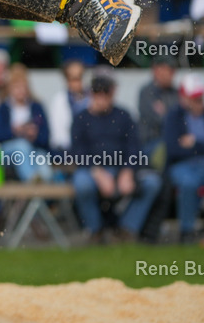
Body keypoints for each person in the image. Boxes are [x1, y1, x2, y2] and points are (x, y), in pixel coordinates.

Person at [70, 74, 161, 243]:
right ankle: (95, 230)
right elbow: (78, 152)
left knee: (152, 183)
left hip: (121, 168)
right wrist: (98, 173)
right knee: (82, 184)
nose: (102, 98)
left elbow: (134, 148)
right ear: (91, 94)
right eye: (98, 93)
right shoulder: (81, 118)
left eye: (106, 94)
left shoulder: (124, 116)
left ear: (112, 94)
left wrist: (128, 171)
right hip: (92, 170)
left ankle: (126, 229)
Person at [162, 74, 204, 244]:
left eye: (201, 97)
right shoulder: (173, 117)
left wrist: (194, 143)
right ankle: (187, 231)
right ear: (183, 98)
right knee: (188, 183)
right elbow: (173, 149)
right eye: (195, 98)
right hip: (182, 166)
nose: (200, 102)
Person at [0, 64, 53, 182]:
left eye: (22, 87)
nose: (20, 91)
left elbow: (45, 137)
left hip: (34, 149)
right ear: (9, 88)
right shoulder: (4, 108)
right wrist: (15, 131)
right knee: (21, 146)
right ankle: (31, 179)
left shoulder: (37, 107)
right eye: (16, 87)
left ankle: (40, 185)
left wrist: (34, 135)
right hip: (9, 152)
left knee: (44, 167)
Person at [137, 55, 179, 164]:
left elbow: (181, 118)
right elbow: (158, 120)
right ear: (156, 70)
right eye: (168, 70)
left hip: (173, 141)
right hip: (150, 143)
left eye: (172, 71)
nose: (171, 74)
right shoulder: (147, 92)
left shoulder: (175, 93)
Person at [47, 59, 89, 153]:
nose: (78, 82)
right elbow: (58, 136)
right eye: (74, 79)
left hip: (92, 151)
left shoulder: (93, 98)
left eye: (80, 77)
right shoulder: (59, 101)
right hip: (67, 151)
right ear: (66, 80)